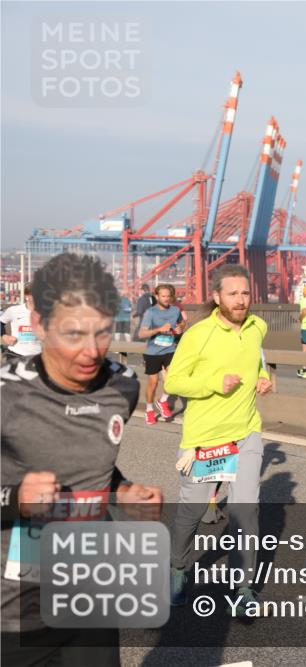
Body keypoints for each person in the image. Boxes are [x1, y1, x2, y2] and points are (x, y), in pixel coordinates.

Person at [1, 253, 162, 665]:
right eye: (74, 334)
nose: (91, 352)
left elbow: (95, 462)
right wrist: (16, 498)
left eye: (102, 333)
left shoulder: (122, 386)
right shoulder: (7, 394)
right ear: (40, 325)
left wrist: (123, 490)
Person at [165, 264, 273, 613]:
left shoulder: (258, 327)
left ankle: (243, 590)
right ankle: (178, 568)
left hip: (246, 433)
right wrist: (214, 383)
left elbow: (256, 361)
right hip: (205, 440)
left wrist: (263, 377)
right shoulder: (199, 334)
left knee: (245, 510)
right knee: (192, 512)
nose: (241, 300)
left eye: (245, 293)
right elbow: (174, 381)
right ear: (216, 297)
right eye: (232, 294)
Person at [137, 284, 185, 425]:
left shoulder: (175, 310)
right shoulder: (151, 312)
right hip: (153, 353)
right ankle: (149, 410)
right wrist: (159, 329)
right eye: (163, 296)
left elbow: (182, 323)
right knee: (153, 382)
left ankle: (163, 401)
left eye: (168, 296)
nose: (166, 299)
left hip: (170, 350)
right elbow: (141, 334)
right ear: (157, 297)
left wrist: (180, 328)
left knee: (172, 380)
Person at [0, 283, 40, 361]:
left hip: (39, 356)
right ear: (27, 296)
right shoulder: (13, 310)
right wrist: (4, 336)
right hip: (16, 355)